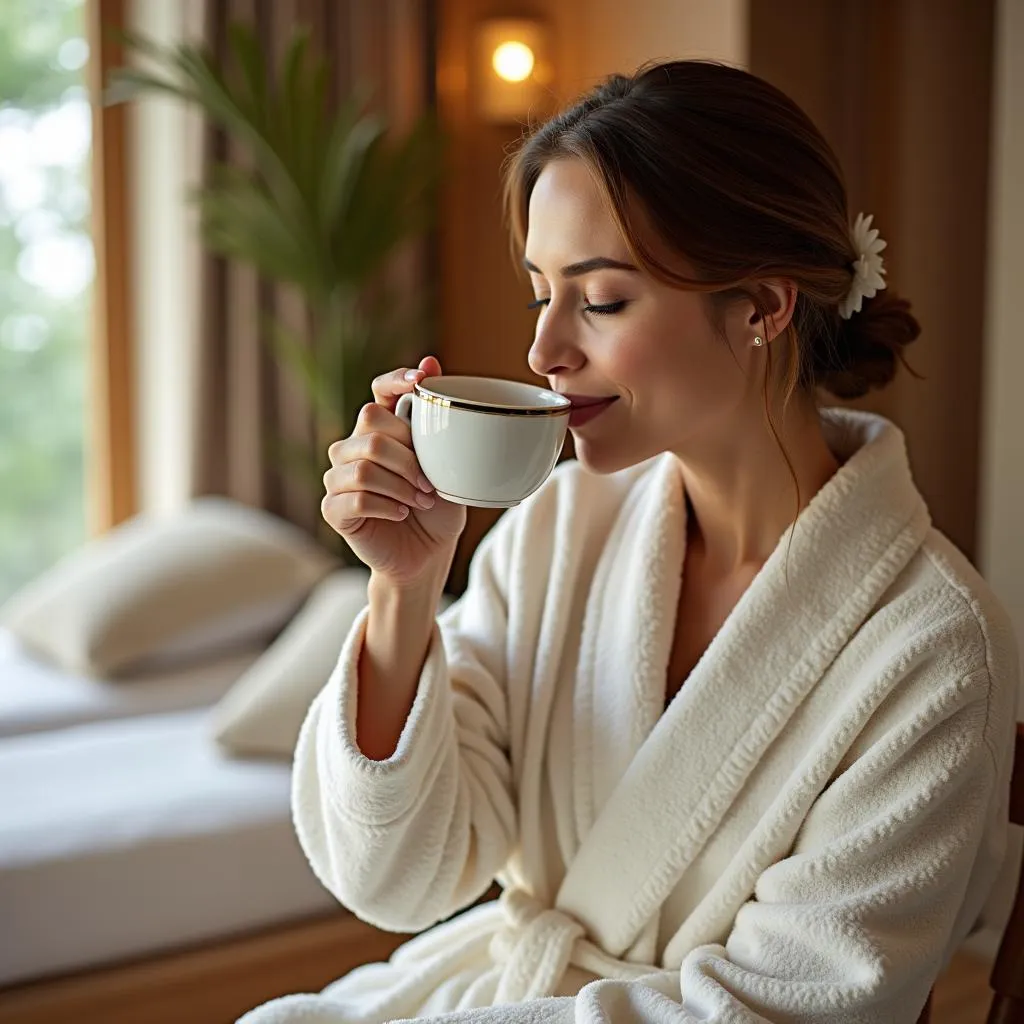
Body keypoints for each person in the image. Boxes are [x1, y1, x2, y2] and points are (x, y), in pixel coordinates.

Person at [242, 60, 1018, 1024]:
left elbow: (789, 1008)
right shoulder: (561, 531)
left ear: (763, 308)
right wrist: (404, 588)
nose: (544, 352)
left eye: (600, 300)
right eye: (540, 295)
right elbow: (396, 880)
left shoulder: (937, 649)